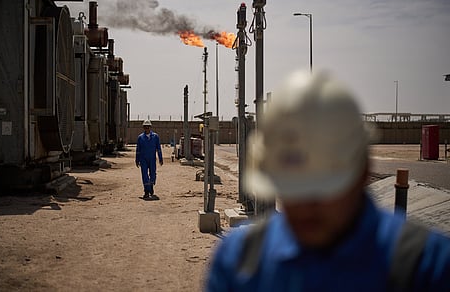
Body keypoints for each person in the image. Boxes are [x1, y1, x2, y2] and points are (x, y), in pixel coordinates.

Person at [205, 70, 450, 291]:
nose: (306, 206)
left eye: (322, 189)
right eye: (293, 189)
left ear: (362, 171)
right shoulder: (239, 260)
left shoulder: (427, 267)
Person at [135, 119, 163, 199]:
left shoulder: (155, 137)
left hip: (152, 158)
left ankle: (151, 186)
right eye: (145, 127)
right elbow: (138, 150)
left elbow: (158, 148)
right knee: (144, 174)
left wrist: (160, 158)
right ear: (143, 128)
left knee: (153, 174)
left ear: (150, 127)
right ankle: (146, 191)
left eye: (148, 127)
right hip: (143, 159)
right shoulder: (140, 138)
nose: (147, 129)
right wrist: (137, 160)